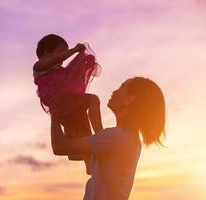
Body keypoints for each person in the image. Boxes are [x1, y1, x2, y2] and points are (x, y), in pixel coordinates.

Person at [50, 77, 166, 200]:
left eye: (121, 87)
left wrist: (55, 109)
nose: (114, 91)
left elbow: (59, 146)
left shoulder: (117, 137)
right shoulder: (129, 140)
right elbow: (90, 167)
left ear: (129, 99)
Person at [33, 34, 103, 174]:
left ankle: (90, 162)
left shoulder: (59, 70)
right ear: (47, 51)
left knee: (83, 130)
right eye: (61, 52)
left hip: (68, 101)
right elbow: (55, 62)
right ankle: (101, 136)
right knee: (92, 99)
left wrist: (85, 61)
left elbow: (72, 78)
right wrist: (74, 51)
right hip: (59, 101)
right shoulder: (39, 65)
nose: (63, 58)